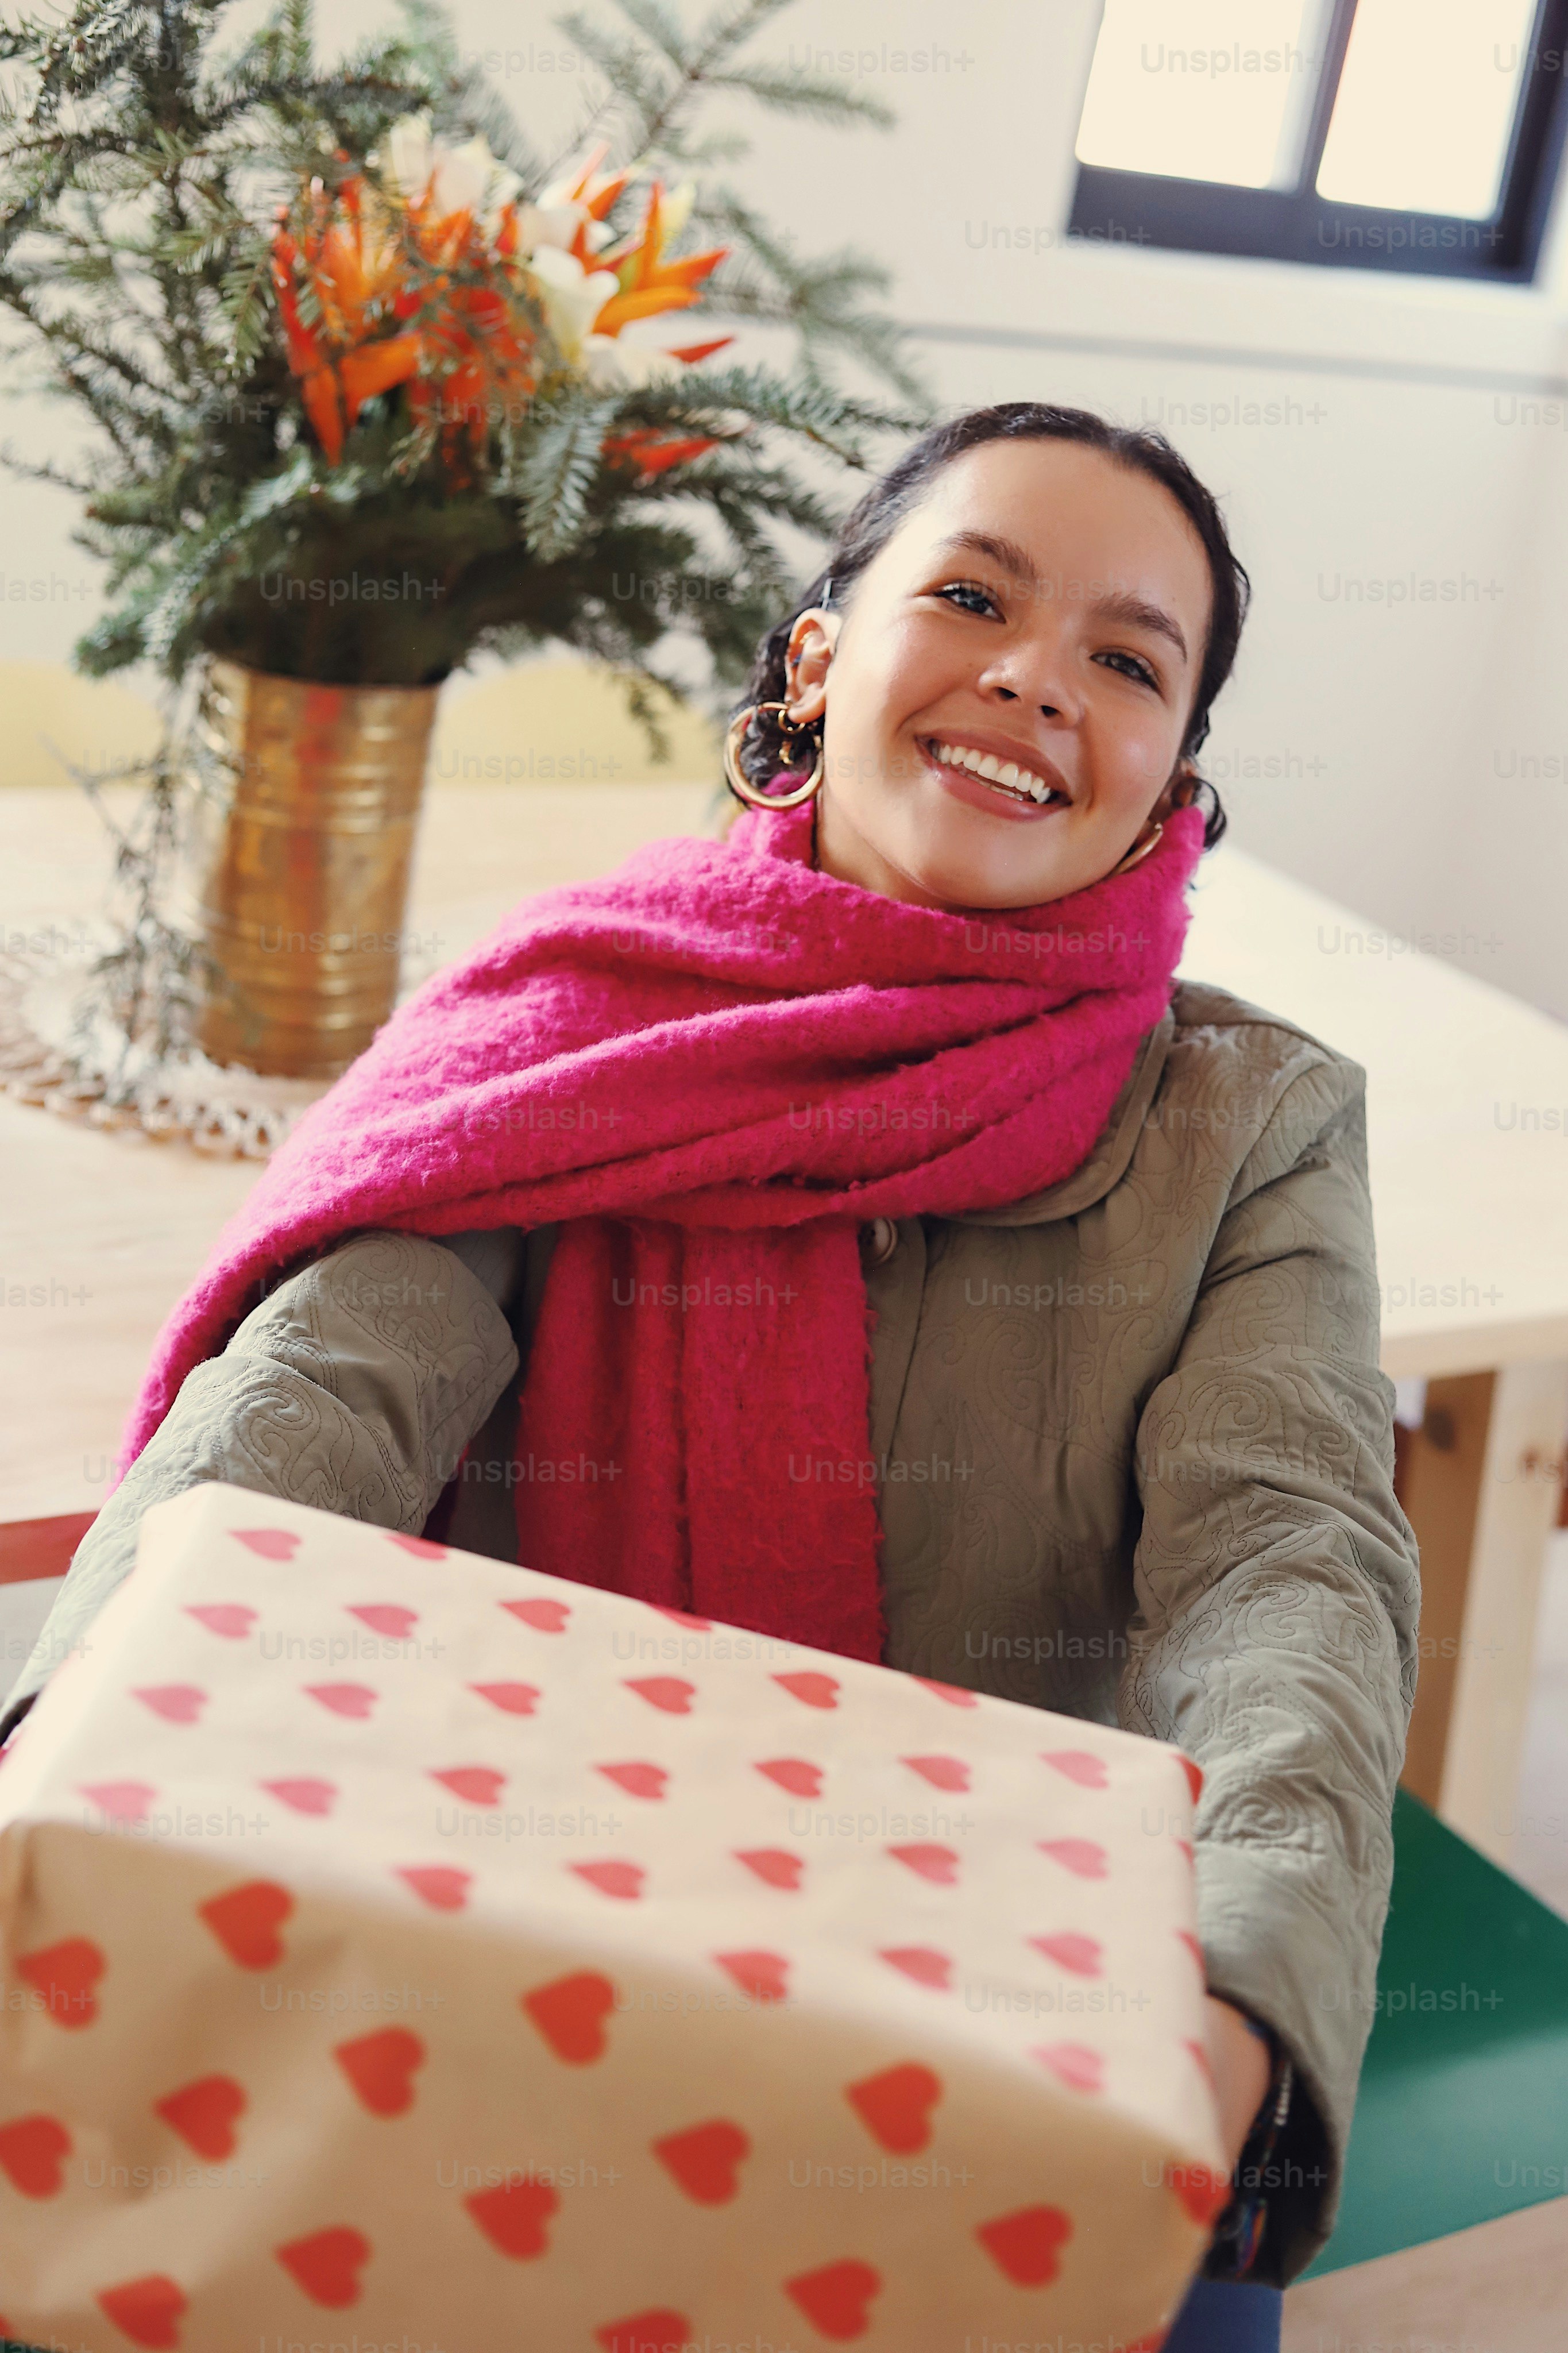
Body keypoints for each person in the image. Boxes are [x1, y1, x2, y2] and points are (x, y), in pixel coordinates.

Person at [1, 403, 1419, 2350]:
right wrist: (85, 1729)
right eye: (972, 596)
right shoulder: (581, 1018)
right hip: (472, 1909)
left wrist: (1236, 1993)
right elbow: (320, 1395)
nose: (1034, 679)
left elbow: (1288, 1569)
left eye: (1124, 660)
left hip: (979, 1992)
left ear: (1172, 770)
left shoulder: (1246, 1127)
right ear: (822, 657)